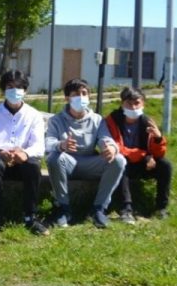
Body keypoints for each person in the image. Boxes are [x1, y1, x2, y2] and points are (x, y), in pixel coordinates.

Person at [45, 78, 126, 228]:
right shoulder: (56, 120)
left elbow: (105, 138)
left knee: (119, 160)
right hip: (66, 163)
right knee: (53, 158)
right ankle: (63, 208)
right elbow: (48, 143)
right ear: (67, 98)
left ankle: (99, 209)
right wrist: (61, 145)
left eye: (84, 93)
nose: (81, 97)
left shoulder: (97, 120)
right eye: (76, 94)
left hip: (90, 163)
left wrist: (110, 147)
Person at [0, 70, 48, 237]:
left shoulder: (34, 116)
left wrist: (24, 153)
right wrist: (0, 151)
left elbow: (39, 146)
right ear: (3, 90)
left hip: (21, 161)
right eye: (10, 87)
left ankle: (30, 216)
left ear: (25, 90)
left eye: (19, 87)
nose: (15, 91)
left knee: (33, 166)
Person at [100, 86, 172, 222]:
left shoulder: (147, 122)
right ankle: (126, 209)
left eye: (137, 103)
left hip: (144, 165)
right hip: (124, 163)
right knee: (119, 163)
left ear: (143, 104)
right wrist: (145, 156)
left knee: (165, 165)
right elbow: (117, 147)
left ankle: (161, 207)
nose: (133, 107)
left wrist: (158, 138)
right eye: (129, 103)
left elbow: (159, 153)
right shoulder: (112, 121)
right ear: (122, 104)